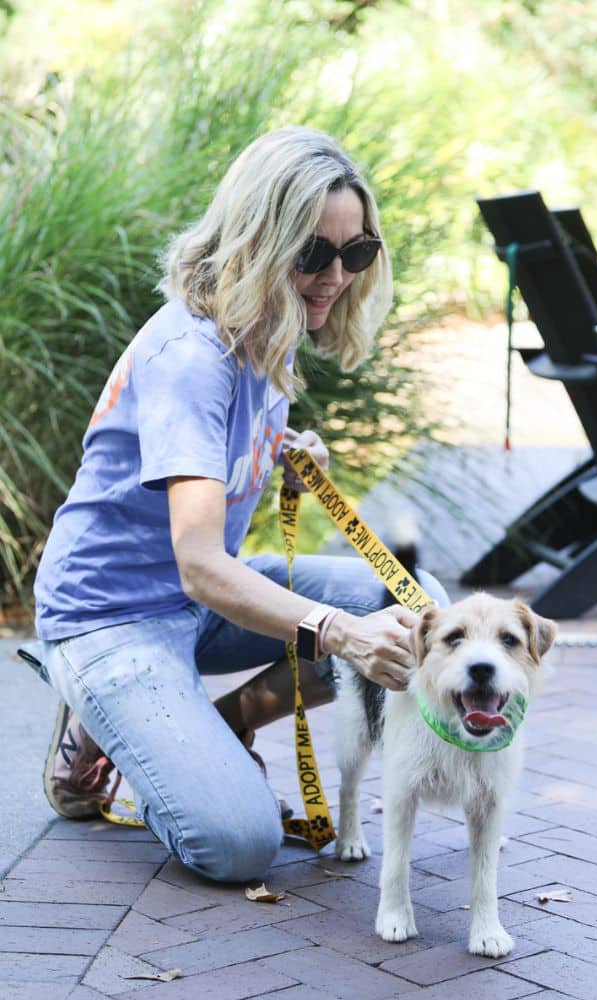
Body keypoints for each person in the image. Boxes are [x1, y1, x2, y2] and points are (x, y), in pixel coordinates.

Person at [33, 126, 449, 882]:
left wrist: (287, 449)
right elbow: (198, 563)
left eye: (354, 253)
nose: (333, 276)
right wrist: (340, 635)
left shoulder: (271, 325)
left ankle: (214, 728)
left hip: (199, 609)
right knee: (237, 844)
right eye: (311, 255)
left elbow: (216, 467)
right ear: (257, 243)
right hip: (113, 619)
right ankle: (102, 715)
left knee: (416, 611)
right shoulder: (192, 357)